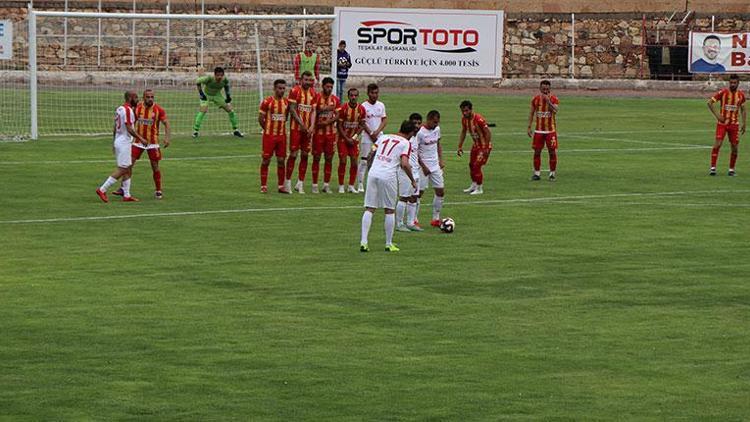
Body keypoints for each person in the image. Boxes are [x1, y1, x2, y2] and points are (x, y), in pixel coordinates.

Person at [360, 120, 418, 253]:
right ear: (409, 133)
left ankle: (364, 242)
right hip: (388, 176)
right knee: (389, 210)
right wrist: (412, 180)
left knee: (369, 208)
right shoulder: (406, 143)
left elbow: (371, 154)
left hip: (374, 173)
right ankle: (388, 243)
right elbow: (404, 163)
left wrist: (371, 169)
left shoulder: (383, 137)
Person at [114, 89, 171, 199]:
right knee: (128, 165)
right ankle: (123, 189)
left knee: (155, 167)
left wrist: (167, 138)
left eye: (152, 97)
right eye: (148, 97)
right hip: (138, 142)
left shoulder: (158, 109)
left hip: (153, 143)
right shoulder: (137, 108)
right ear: (143, 98)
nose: (150, 99)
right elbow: (131, 123)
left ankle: (158, 190)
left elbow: (166, 123)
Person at [95, 90, 148, 203]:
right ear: (131, 98)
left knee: (128, 167)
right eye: (136, 98)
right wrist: (141, 138)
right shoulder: (128, 110)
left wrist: (114, 142)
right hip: (124, 142)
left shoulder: (120, 109)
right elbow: (129, 128)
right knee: (123, 168)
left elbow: (115, 127)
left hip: (120, 141)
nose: (138, 100)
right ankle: (102, 189)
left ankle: (127, 195)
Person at [707, 74, 746, 176]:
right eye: (731, 83)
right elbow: (710, 103)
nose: (732, 85)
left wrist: (744, 123)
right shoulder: (723, 93)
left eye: (734, 83)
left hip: (734, 125)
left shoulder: (741, 95)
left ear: (738, 83)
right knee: (718, 144)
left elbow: (743, 109)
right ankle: (713, 168)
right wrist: (718, 115)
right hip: (722, 124)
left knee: (734, 147)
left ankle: (731, 170)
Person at [285, 71, 318, 193]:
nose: (308, 82)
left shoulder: (313, 93)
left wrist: (312, 126)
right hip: (296, 129)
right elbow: (292, 110)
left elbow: (314, 111)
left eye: (310, 80)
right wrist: (302, 124)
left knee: (305, 155)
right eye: (306, 80)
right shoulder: (294, 91)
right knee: (293, 154)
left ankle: (300, 183)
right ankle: (287, 181)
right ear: (301, 80)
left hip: (308, 131)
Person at [258, 79, 291, 193]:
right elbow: (260, 119)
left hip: (282, 137)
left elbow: (286, 117)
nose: (282, 90)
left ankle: (281, 186)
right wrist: (267, 130)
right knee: (266, 160)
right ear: (274, 89)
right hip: (269, 136)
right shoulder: (267, 102)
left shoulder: (286, 103)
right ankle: (263, 186)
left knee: (281, 161)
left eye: (283, 88)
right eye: (279, 88)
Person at [192, 66, 243, 138]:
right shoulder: (209, 78)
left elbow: (226, 86)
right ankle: (195, 131)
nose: (219, 77)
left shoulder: (224, 80)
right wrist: (201, 94)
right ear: (214, 75)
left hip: (217, 95)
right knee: (203, 111)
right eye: (218, 75)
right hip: (206, 95)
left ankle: (236, 130)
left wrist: (228, 96)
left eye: (221, 75)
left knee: (230, 110)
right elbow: (197, 82)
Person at [311, 77, 340, 194]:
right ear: (323, 86)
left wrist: (328, 122)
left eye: (331, 87)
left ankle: (326, 185)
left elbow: (338, 115)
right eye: (327, 87)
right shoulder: (316, 97)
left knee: (329, 159)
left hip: (330, 134)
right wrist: (325, 108)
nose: (329, 89)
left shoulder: (335, 99)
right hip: (318, 134)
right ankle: (314, 185)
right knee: (316, 158)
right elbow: (313, 112)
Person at [417, 110, 446, 227]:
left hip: (435, 166)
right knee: (419, 193)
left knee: (440, 191)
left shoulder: (437, 130)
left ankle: (436, 218)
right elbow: (415, 151)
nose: (436, 125)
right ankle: (414, 219)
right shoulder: (420, 133)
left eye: (438, 122)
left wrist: (440, 159)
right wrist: (423, 166)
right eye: (434, 122)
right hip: (422, 166)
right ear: (428, 120)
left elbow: (438, 144)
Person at [527, 80, 560, 181]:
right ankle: (537, 173)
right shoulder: (535, 99)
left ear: (550, 89)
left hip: (550, 131)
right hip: (539, 131)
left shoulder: (554, 99)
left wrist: (548, 101)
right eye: (543, 89)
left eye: (547, 89)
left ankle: (552, 174)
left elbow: (555, 110)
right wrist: (529, 127)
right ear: (540, 89)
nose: (545, 91)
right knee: (537, 152)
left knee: (552, 152)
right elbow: (532, 113)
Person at [457, 100, 492, 195]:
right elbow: (463, 132)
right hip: (475, 145)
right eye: (463, 111)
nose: (464, 113)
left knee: (477, 166)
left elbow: (488, 133)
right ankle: (474, 184)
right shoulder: (464, 120)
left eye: (466, 110)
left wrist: (486, 148)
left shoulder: (479, 119)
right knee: (471, 165)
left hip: (483, 146)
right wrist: (460, 146)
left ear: (471, 109)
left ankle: (480, 188)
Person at [396, 113, 423, 232]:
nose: (417, 126)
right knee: (404, 197)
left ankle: (411, 223)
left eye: (419, 123)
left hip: (416, 171)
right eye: (414, 123)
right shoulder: (404, 138)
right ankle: (399, 223)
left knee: (414, 197)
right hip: (405, 171)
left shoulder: (417, 137)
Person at [359, 83, 388, 192]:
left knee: (378, 160)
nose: (375, 95)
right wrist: (371, 133)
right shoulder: (363, 106)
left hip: (379, 139)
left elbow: (384, 119)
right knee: (364, 160)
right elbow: (362, 122)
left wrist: (377, 132)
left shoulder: (381, 105)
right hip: (367, 138)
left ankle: (375, 183)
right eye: (372, 93)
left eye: (376, 93)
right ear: (368, 93)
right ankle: (361, 183)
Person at [337, 87, 366, 194]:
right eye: (351, 95)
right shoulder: (343, 108)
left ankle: (350, 186)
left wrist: (353, 137)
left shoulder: (361, 109)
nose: (353, 97)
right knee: (343, 161)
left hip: (353, 140)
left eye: (355, 95)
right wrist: (347, 138)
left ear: (358, 96)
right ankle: (341, 185)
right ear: (348, 96)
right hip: (343, 139)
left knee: (354, 162)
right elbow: (339, 126)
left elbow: (362, 126)